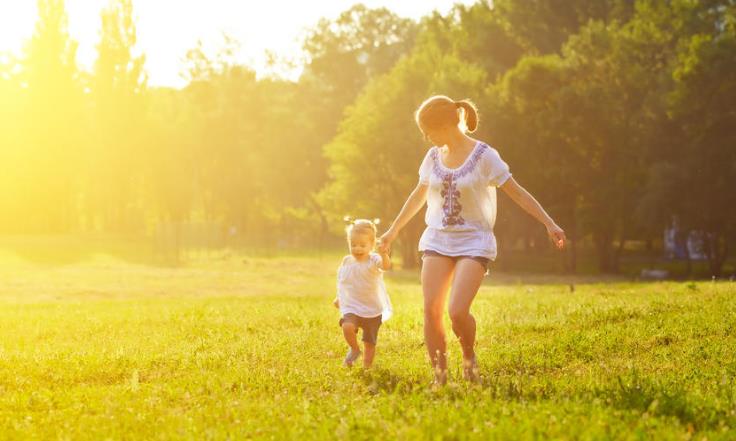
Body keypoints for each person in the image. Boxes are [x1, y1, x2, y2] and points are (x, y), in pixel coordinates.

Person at [378, 95, 565, 384]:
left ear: (444, 125)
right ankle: (439, 377)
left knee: (457, 311)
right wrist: (393, 231)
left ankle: (468, 355)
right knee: (431, 309)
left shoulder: (485, 156)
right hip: (438, 239)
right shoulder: (432, 157)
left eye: (428, 130)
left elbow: (517, 192)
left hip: (474, 241)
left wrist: (549, 223)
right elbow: (418, 196)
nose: (426, 138)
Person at [334, 217, 393, 368]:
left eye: (362, 245)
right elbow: (343, 282)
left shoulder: (373, 259)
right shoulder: (347, 261)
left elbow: (385, 266)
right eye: (353, 245)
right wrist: (339, 297)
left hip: (372, 308)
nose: (357, 249)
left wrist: (384, 254)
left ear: (372, 245)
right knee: (347, 326)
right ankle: (354, 349)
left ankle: (367, 367)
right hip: (352, 305)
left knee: (369, 342)